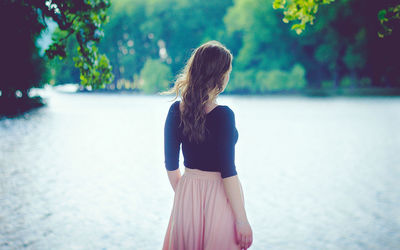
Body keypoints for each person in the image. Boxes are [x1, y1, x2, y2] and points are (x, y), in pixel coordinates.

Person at [161, 40, 253, 250]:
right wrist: (242, 220)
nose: (229, 76)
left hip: (186, 197)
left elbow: (170, 165)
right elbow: (228, 171)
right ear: (219, 75)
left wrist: (188, 194)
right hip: (219, 196)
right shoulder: (223, 115)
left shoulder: (176, 110)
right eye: (228, 71)